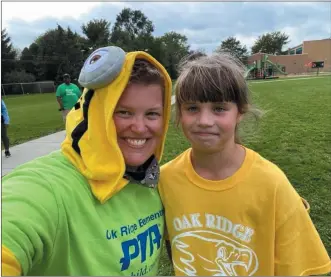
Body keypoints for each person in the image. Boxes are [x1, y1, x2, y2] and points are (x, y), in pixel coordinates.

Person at [2, 46, 172, 276]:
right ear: (96, 113)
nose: (140, 127)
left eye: (152, 114)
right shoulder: (48, 188)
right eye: (123, 112)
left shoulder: (151, 181)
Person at [158, 52, 331, 276]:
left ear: (240, 111)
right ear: (179, 113)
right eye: (192, 108)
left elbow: (295, 268)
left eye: (219, 108)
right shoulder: (165, 180)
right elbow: (175, 247)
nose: (204, 121)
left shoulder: (271, 183)